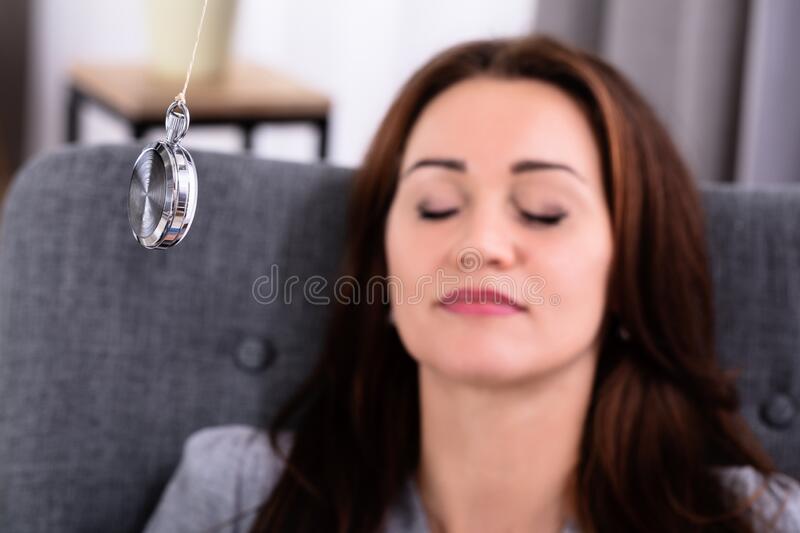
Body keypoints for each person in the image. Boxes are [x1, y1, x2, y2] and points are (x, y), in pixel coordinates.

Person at [143, 34, 800, 533]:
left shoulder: (759, 521)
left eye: (544, 210)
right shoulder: (236, 493)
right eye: (436, 207)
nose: (479, 245)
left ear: (631, 272)